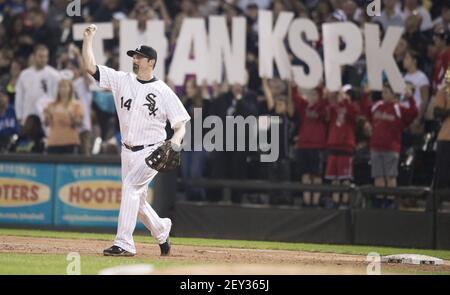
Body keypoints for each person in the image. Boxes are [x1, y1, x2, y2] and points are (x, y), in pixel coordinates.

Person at [82, 24, 190, 257]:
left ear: (151, 62)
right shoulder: (122, 80)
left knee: (130, 188)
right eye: (134, 56)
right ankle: (161, 229)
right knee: (137, 203)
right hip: (127, 151)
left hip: (151, 151)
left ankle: (124, 243)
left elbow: (181, 125)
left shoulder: (163, 91)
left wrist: (174, 142)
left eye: (139, 57)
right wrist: (88, 39)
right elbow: (90, 66)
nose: (135, 59)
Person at [368, 82, 418, 208]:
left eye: (386, 92)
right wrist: (365, 94)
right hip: (376, 147)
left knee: (390, 176)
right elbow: (366, 110)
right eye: (382, 92)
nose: (383, 94)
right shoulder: (377, 106)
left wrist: (410, 98)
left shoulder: (398, 108)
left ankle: (390, 201)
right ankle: (380, 201)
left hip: (391, 148)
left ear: (393, 94)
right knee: (378, 176)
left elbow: (413, 113)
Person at [291, 85, 328, 208]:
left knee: (316, 175)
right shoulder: (304, 107)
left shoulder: (321, 108)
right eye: (310, 94)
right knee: (305, 175)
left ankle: (315, 202)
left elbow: (324, 102)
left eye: (315, 95)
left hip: (317, 146)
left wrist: (320, 86)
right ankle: (307, 202)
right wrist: (293, 85)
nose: (312, 97)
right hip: (303, 145)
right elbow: (295, 97)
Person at [325, 85, 359, 209]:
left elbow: (353, 115)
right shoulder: (335, 108)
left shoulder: (353, 108)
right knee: (334, 179)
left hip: (346, 147)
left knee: (345, 179)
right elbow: (327, 112)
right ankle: (335, 203)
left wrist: (345, 101)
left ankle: (344, 204)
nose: (341, 97)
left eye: (344, 95)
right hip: (333, 146)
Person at [15, 44, 60, 126]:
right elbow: (19, 96)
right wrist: (19, 116)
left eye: (45, 57)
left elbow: (57, 96)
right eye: (40, 56)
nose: (43, 59)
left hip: (46, 116)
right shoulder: (24, 74)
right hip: (28, 114)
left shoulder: (54, 75)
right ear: (34, 57)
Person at [44, 76, 84, 154]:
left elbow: (79, 123)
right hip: (53, 141)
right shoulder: (51, 105)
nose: (63, 89)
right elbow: (47, 123)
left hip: (70, 142)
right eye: (61, 86)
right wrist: (47, 115)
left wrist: (70, 116)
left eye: (65, 86)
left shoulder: (77, 105)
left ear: (70, 88)